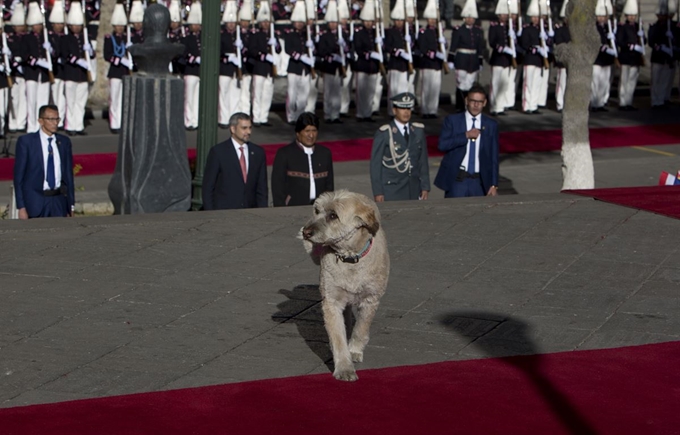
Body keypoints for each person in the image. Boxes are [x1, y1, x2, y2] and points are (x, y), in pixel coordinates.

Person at [434, 85, 499, 198]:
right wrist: (465, 135)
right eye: (473, 101)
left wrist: (494, 184)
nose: (476, 105)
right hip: (457, 180)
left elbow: (493, 157)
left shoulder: (490, 125)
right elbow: (442, 145)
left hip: (479, 182)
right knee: (455, 213)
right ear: (466, 101)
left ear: (484, 103)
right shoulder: (453, 121)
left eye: (479, 102)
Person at [13, 104, 75, 219]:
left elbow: (68, 176)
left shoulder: (64, 142)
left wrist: (71, 205)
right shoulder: (27, 142)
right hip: (35, 203)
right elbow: (19, 178)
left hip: (58, 202)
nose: (55, 123)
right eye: (51, 119)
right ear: (41, 121)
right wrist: (21, 207)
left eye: (57, 119)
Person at [370, 92, 430, 202]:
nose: (406, 112)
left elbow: (422, 161)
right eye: (402, 108)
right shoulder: (385, 133)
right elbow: (375, 165)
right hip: (392, 190)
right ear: (394, 110)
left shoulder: (418, 131)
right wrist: (378, 192)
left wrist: (425, 186)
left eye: (408, 108)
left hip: (414, 188)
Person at [202, 112, 268, 210]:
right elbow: (208, 187)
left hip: (251, 213)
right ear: (233, 129)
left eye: (250, 128)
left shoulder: (258, 152)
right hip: (224, 212)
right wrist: (211, 215)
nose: (248, 132)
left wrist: (262, 212)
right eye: (244, 128)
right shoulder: (218, 152)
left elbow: (262, 187)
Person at [272, 112, 334, 206]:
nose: (311, 135)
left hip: (320, 210)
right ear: (298, 133)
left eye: (314, 130)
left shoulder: (325, 154)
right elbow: (278, 187)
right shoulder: (284, 154)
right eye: (307, 131)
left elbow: (329, 186)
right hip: (293, 208)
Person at [61, 2, 93, 136]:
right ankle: (70, 125)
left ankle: (78, 125)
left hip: (82, 75)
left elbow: (92, 54)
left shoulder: (85, 38)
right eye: (75, 25)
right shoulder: (66, 39)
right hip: (71, 74)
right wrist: (78, 60)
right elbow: (64, 55)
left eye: (79, 25)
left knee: (80, 102)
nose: (77, 27)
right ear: (70, 25)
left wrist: (89, 50)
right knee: (71, 101)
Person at [447, 0, 484, 112]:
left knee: (470, 83)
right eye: (468, 17)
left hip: (473, 60)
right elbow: (453, 45)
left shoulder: (478, 31)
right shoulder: (459, 30)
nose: (470, 19)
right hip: (461, 60)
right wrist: (451, 59)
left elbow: (480, 48)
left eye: (472, 17)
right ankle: (460, 105)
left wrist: (480, 61)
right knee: (461, 84)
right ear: (464, 18)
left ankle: (468, 105)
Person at [283, 0, 314, 125]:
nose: (300, 24)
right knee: (292, 93)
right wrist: (300, 57)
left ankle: (300, 115)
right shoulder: (290, 34)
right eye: (298, 22)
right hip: (294, 67)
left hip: (305, 69)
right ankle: (291, 116)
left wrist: (312, 47)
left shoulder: (307, 35)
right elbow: (288, 49)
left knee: (304, 94)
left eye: (301, 22)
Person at [104, 2, 132, 133]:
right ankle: (114, 123)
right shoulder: (110, 38)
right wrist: (120, 60)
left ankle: (122, 122)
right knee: (114, 98)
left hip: (125, 72)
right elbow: (107, 55)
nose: (120, 28)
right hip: (115, 72)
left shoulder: (127, 38)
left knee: (124, 99)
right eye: (118, 26)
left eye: (122, 26)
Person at [616, 0, 645, 111]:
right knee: (624, 80)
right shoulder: (622, 27)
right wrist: (630, 46)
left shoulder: (638, 26)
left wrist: (642, 36)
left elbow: (643, 41)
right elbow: (620, 41)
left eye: (634, 15)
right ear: (626, 16)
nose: (632, 17)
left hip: (635, 58)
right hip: (626, 56)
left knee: (632, 81)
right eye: (630, 15)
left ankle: (629, 101)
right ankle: (623, 102)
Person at [218, 0, 242, 128]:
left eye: (233, 23)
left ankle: (234, 118)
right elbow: (219, 53)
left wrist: (241, 47)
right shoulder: (222, 35)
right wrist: (229, 58)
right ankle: (223, 119)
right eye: (230, 23)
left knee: (235, 94)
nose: (232, 25)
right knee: (224, 94)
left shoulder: (238, 35)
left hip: (235, 69)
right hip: (225, 67)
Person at [591, 0, 616, 112]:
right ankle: (594, 102)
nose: (601, 18)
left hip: (607, 59)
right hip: (596, 58)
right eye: (599, 16)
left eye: (603, 16)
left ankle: (600, 103)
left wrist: (613, 36)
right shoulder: (592, 27)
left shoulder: (610, 27)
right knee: (595, 82)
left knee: (605, 82)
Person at [182, 1, 202, 130]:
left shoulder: (202, 38)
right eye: (193, 24)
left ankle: (196, 120)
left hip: (199, 72)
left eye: (197, 24)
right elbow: (184, 56)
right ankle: (189, 121)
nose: (195, 26)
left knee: (197, 98)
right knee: (189, 98)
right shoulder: (186, 39)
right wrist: (194, 59)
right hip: (190, 71)